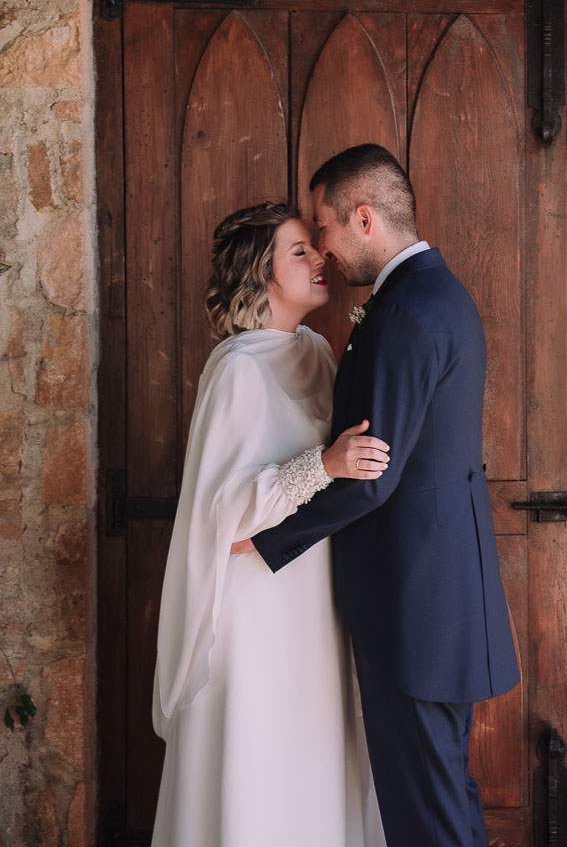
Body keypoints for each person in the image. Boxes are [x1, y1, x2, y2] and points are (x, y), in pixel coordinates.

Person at [245, 145, 521, 847]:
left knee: (425, 816)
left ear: (362, 218)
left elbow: (369, 475)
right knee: (443, 802)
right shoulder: (436, 294)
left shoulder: (404, 313)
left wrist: (269, 536)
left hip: (413, 608)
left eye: (325, 226)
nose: (324, 248)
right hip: (437, 599)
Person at [151, 202, 389, 847]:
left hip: (314, 592)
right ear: (260, 274)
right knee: (261, 753)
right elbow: (221, 511)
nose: (320, 261)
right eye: (299, 253)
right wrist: (324, 463)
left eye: (315, 249)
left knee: (314, 745)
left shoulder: (314, 351)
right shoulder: (235, 368)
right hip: (257, 601)